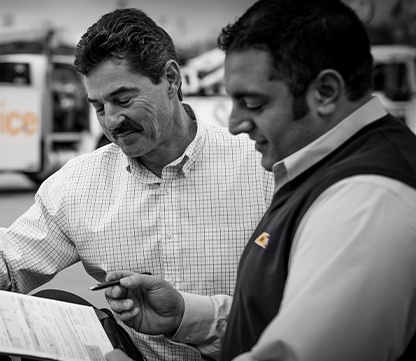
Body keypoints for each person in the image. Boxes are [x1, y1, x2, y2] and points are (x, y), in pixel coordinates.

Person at [0, 8, 273, 361]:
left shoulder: (263, 167)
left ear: (171, 79)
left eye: (122, 99)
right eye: (97, 106)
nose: (111, 121)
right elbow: (10, 258)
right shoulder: (78, 185)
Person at [102, 1, 416, 360]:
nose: (235, 123)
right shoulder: (327, 170)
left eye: (254, 103)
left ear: (325, 92)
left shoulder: (367, 199)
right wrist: (186, 315)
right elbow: (281, 320)